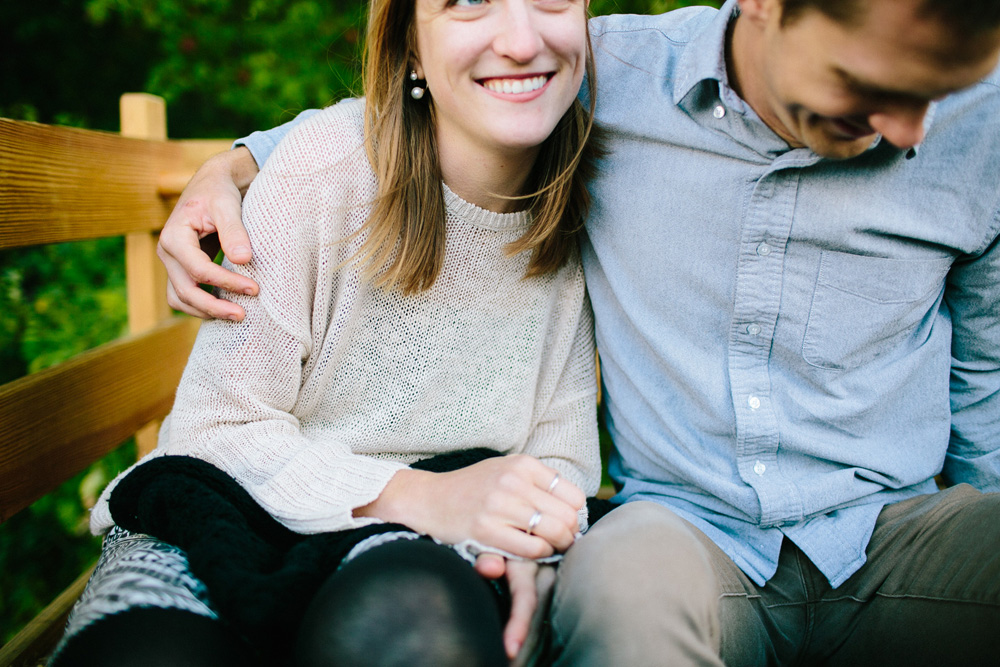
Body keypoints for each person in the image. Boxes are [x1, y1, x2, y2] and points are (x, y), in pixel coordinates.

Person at [157, 0, 1000, 664]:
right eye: (867, 84)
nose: (911, 131)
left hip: (899, 528)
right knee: (620, 590)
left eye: (932, 93)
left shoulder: (983, 128)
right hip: (687, 535)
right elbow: (430, 95)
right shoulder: (611, 73)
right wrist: (236, 163)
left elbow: (984, 379)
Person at [52, 0, 605, 664]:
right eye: (466, 3)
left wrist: (524, 535)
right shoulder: (324, 169)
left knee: (418, 635)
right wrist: (421, 494)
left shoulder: (599, 196)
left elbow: (561, 459)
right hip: (233, 503)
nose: (520, 40)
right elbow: (214, 429)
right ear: (408, 48)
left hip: (427, 549)